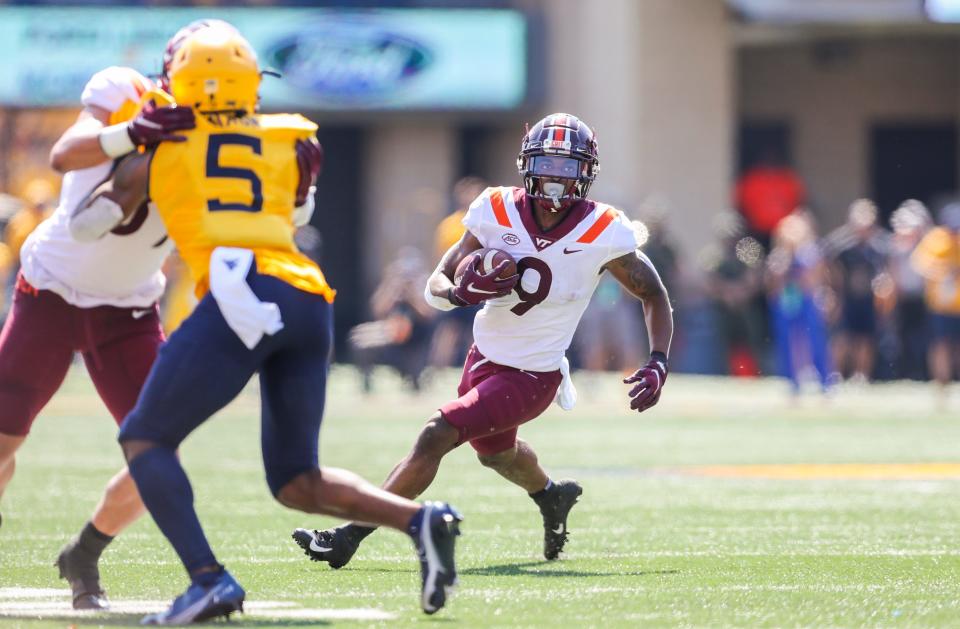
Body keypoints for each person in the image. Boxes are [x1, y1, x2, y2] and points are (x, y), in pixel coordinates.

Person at [82, 25, 461, 623]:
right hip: (306, 293)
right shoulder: (290, 140)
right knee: (296, 481)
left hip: (240, 292)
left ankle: (207, 580)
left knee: (145, 439)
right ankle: (421, 520)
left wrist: (127, 145)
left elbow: (89, 222)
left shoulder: (162, 144)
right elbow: (299, 208)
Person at [293, 113, 673, 568]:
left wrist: (657, 360)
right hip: (483, 357)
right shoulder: (495, 209)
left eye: (567, 167)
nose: (555, 177)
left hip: (534, 374)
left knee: (436, 435)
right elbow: (440, 276)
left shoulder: (605, 229)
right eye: (547, 164)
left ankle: (349, 535)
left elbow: (653, 293)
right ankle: (551, 496)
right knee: (496, 455)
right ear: (526, 164)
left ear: (586, 172)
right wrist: (455, 295)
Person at [0, 55, 195, 611]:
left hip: (127, 309)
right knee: (2, 439)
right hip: (50, 292)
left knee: (157, 456)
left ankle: (84, 553)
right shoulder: (124, 91)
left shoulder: (225, 138)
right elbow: (65, 155)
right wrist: (135, 131)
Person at [823, 199, 890, 382]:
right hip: (845, 297)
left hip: (868, 298)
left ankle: (861, 375)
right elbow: (827, 263)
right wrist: (832, 291)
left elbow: (885, 269)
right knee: (841, 338)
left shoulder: (879, 246)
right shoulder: (841, 245)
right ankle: (834, 374)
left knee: (865, 339)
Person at [765, 211, 833, 393]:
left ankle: (825, 381)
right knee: (786, 342)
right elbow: (774, 283)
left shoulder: (810, 252)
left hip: (807, 299)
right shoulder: (779, 255)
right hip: (787, 301)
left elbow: (812, 280)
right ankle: (791, 381)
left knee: (815, 340)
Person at [911, 203, 960, 398]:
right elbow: (919, 265)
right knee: (940, 346)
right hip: (941, 306)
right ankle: (941, 386)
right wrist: (944, 271)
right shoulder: (935, 240)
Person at [888, 200, 932, 380]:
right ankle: (904, 373)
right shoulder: (896, 249)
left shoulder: (928, 246)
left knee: (924, 338)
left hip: (923, 298)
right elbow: (893, 272)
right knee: (901, 338)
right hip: (903, 298)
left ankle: (923, 373)